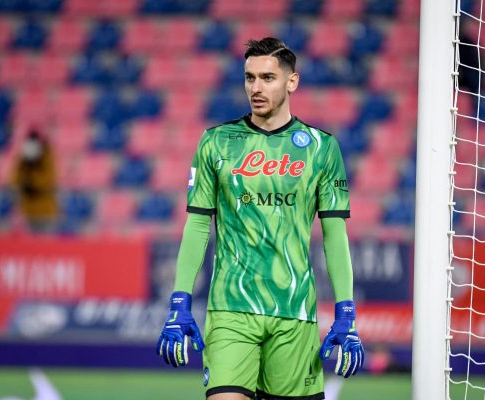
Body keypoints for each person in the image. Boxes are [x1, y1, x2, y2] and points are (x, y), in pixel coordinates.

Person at [156, 37, 364, 400]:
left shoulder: (320, 147)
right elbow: (198, 225)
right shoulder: (216, 143)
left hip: (295, 311)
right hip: (230, 309)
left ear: (291, 82)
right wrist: (179, 301)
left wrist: (346, 311)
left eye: (267, 77)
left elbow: (334, 235)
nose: (256, 87)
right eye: (249, 77)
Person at [11, 129, 58, 233]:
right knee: (30, 244)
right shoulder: (23, 158)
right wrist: (23, 183)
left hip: (45, 209)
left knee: (45, 243)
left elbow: (50, 179)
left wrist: (31, 181)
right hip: (28, 209)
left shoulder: (46, 157)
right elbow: (14, 179)